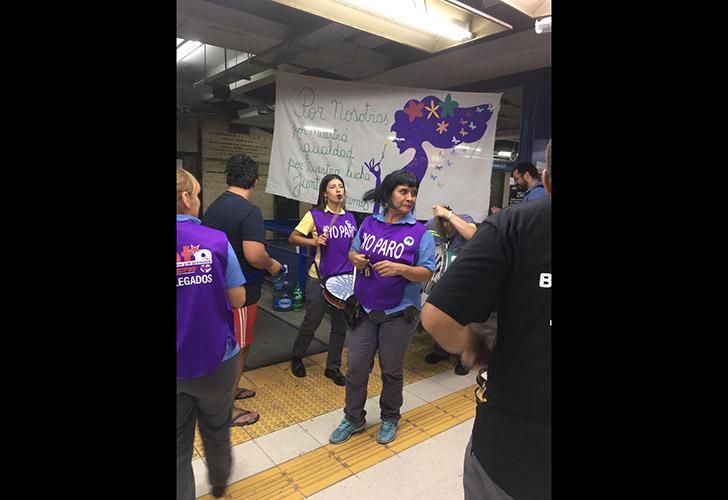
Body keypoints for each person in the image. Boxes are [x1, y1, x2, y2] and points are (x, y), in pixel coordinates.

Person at [421, 140, 552, 500]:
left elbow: (436, 316)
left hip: (514, 449)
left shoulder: (515, 225)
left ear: (546, 180)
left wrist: (476, 348)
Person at [328, 170, 435, 446]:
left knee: (391, 370)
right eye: (403, 192)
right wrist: (356, 259)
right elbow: (352, 251)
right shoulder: (369, 224)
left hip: (399, 313)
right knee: (355, 369)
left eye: (413, 193)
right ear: (388, 194)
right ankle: (353, 417)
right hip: (365, 309)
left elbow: (426, 273)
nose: (410, 198)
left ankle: (390, 417)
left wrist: (401, 269)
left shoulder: (419, 233)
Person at [176, 168, 247, 499]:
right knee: (217, 428)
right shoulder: (216, 240)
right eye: (198, 194)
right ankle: (219, 483)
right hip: (216, 358)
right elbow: (237, 298)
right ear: (187, 198)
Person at [202, 153, 282, 427]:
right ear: (255, 181)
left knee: (226, 343)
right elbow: (254, 254)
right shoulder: (249, 211)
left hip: (215, 288)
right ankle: (226, 407)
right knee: (240, 347)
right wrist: (272, 265)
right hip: (242, 292)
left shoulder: (213, 208)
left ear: (227, 178)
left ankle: (229, 391)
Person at [289, 174, 358, 385]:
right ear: (324, 193)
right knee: (312, 322)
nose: (338, 190)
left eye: (341, 186)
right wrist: (314, 241)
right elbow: (293, 237)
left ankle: (333, 367)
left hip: (344, 282)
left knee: (339, 326)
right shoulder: (315, 215)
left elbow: (354, 245)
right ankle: (297, 356)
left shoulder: (351, 217)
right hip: (319, 279)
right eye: (333, 187)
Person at [421, 204, 477, 375]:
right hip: (440, 279)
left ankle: (465, 358)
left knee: (463, 321)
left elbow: (474, 236)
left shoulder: (465, 220)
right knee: (441, 318)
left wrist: (450, 215)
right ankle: (441, 350)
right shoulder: (430, 225)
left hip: (463, 280)